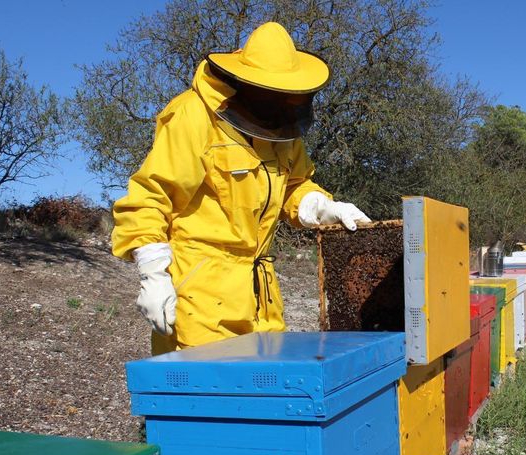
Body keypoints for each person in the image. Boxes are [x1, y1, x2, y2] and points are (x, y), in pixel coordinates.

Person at [111, 22, 370, 355]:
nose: (282, 103)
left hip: (262, 295)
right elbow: (150, 196)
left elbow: (293, 184)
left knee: (265, 384)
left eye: (289, 95)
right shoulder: (194, 116)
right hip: (201, 298)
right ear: (248, 85)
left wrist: (321, 205)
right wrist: (153, 271)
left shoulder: (282, 131)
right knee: (210, 386)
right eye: (273, 94)